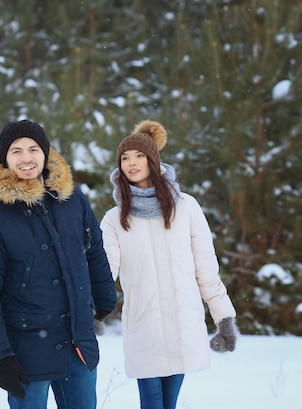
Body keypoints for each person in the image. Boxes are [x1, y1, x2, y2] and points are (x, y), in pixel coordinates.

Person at [0, 119, 117, 409]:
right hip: (26, 353)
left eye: (33, 149)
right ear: (4, 159)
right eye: (16, 151)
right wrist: (0, 356)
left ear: (45, 153)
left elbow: (94, 250)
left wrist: (105, 298)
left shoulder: (72, 200)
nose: (26, 158)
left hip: (77, 345)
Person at [99, 120, 238, 409]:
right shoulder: (115, 219)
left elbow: (206, 270)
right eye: (125, 158)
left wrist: (223, 318)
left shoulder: (186, 207)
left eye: (138, 156)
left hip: (184, 324)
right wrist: (93, 310)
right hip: (142, 325)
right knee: (152, 403)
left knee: (168, 404)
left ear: (153, 160)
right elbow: (104, 273)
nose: (131, 163)